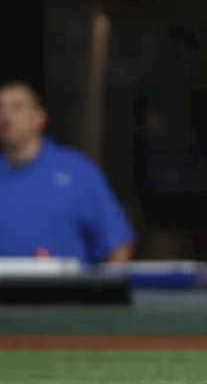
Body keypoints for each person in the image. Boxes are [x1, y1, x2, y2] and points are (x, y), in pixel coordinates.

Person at [0, 81, 134, 267]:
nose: (6, 116)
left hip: (67, 293)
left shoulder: (77, 172)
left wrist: (105, 293)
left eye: (17, 107)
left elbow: (118, 245)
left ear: (39, 117)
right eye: (1, 108)